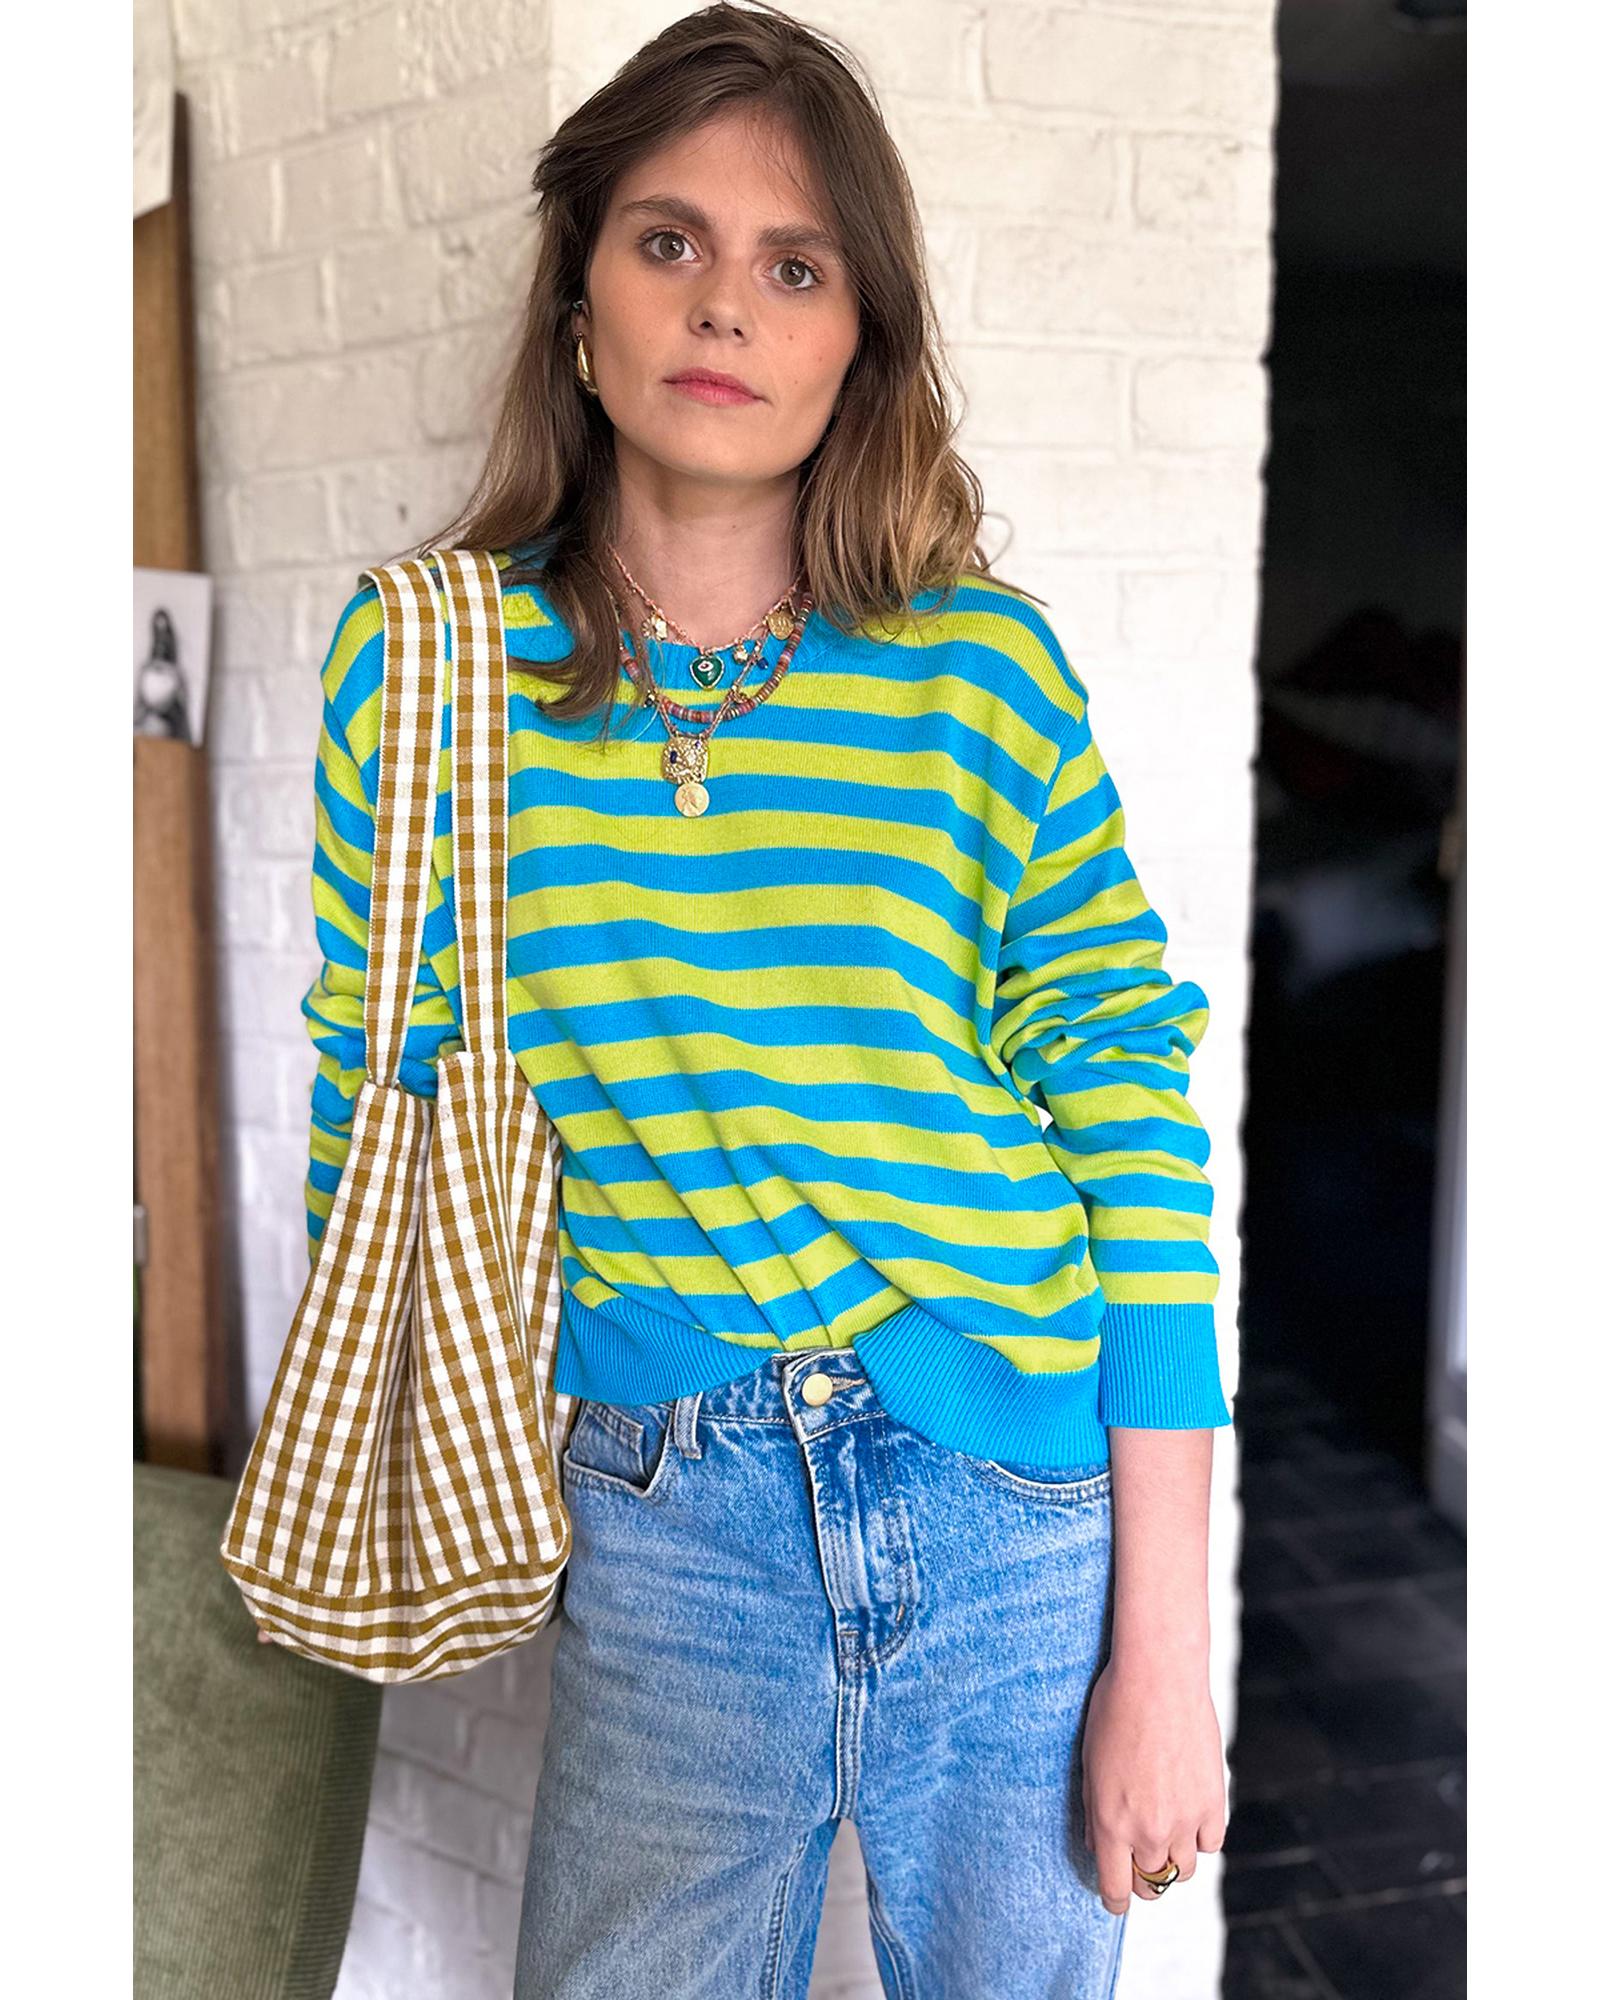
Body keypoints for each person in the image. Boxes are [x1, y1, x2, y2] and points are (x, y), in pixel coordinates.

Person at [302, 6, 1232, 1993]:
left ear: (856, 341)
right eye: (669, 241)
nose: (723, 303)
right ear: (578, 302)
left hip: (1009, 1502)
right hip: (666, 1516)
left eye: (795, 266)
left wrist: (1166, 1649)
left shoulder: (977, 675)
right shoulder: (429, 675)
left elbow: (1130, 1114)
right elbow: (371, 1106)